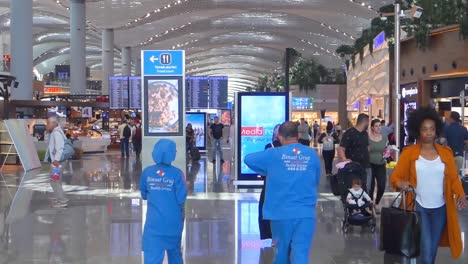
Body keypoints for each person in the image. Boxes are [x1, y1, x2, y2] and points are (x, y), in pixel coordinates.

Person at [391, 106, 467, 264]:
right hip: (419, 207)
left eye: (432, 129)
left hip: (441, 208)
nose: (429, 133)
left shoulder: (445, 152)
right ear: (418, 131)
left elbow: (453, 179)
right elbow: (395, 177)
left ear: (437, 130)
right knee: (426, 252)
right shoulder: (409, 153)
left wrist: (460, 194)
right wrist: (401, 183)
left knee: (432, 251)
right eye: (425, 129)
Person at [244, 121, 321, 263]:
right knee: (301, 254)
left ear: (279, 137)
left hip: (280, 214)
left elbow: (248, 159)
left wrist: (267, 170)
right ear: (298, 135)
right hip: (305, 213)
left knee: (281, 254)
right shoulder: (312, 154)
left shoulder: (273, 154)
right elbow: (316, 180)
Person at [140, 139, 187, 264]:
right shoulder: (177, 174)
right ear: (171, 154)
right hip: (173, 223)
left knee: (152, 257)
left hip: (153, 224)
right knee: (175, 254)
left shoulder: (147, 172)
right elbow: (181, 198)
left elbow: (144, 195)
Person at [259, 124, 281, 244]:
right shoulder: (290, 148)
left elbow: (263, 165)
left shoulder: (268, 147)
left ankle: (269, 235)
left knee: (265, 208)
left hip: (270, 183)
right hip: (284, 183)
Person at [44, 117, 69, 208]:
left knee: (55, 181)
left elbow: (60, 148)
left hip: (57, 163)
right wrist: (47, 133)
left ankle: (62, 201)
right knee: (56, 180)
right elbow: (49, 144)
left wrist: (56, 160)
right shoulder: (55, 132)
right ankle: (62, 199)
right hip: (57, 162)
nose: (47, 125)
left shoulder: (56, 133)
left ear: (54, 123)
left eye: (48, 123)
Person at [440, 111, 468, 176]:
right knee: (456, 175)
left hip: (449, 155)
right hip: (460, 156)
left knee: (448, 175)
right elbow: (466, 142)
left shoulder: (447, 128)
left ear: (451, 118)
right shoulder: (463, 129)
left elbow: (442, 141)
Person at [368, 119, 387, 212]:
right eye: (376, 126)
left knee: (382, 185)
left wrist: (389, 150)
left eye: (380, 125)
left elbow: (386, 151)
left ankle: (377, 202)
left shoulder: (384, 138)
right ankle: (371, 204)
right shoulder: (368, 138)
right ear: (372, 127)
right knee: (370, 187)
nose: (378, 127)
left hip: (381, 164)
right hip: (370, 164)